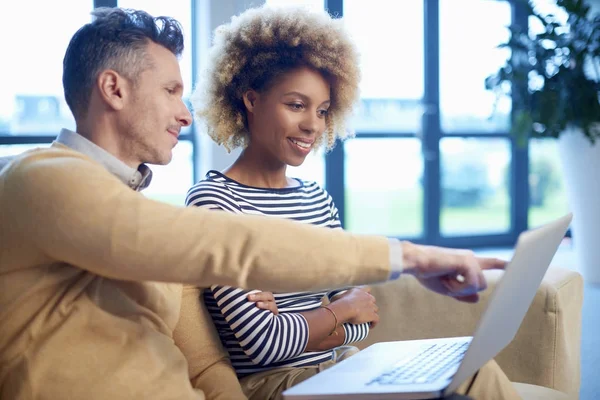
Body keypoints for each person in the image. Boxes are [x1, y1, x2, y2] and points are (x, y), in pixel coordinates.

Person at [0, 7, 508, 400]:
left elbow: (204, 363)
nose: (185, 112)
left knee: (475, 372)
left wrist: (319, 317)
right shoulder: (42, 180)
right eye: (173, 90)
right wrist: (407, 258)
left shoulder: (135, 211)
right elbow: (230, 248)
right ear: (113, 88)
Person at [186, 5, 522, 400]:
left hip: (344, 363)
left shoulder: (316, 199)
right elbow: (265, 346)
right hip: (277, 385)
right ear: (251, 100)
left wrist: (303, 321)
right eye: (296, 105)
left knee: (474, 371)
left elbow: (367, 315)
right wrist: (338, 311)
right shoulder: (215, 201)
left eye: (323, 110)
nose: (313, 124)